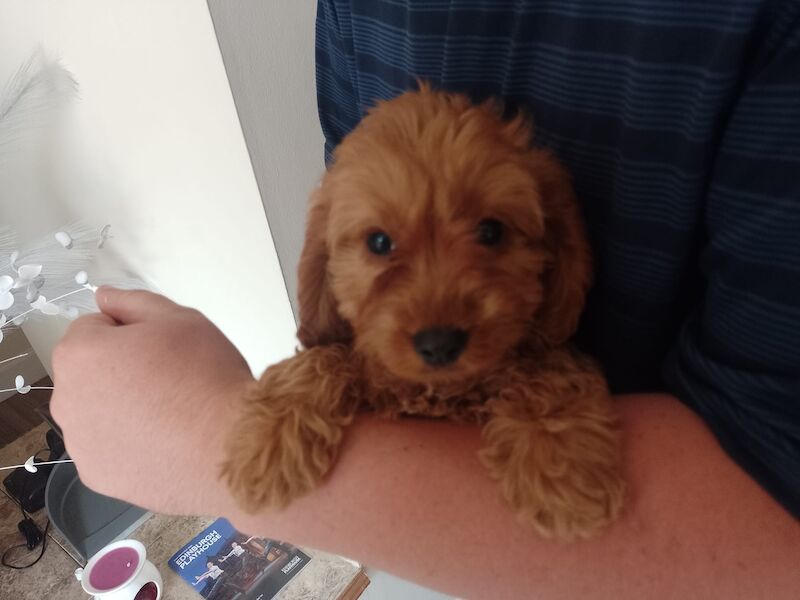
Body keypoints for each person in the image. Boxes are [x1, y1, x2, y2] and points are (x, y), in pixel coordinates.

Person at [51, 1, 799, 598]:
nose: (438, 312)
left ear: (561, 252)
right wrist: (293, 383)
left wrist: (204, 437)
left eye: (489, 232)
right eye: (383, 246)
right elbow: (332, 332)